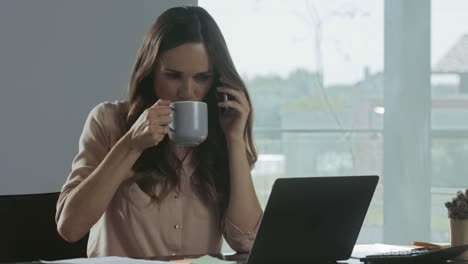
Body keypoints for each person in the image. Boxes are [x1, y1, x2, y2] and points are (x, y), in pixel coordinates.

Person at [55, 6, 263, 258]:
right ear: (151, 71)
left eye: (201, 77)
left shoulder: (222, 132)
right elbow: (70, 227)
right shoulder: (108, 120)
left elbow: (247, 241)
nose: (187, 91)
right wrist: (131, 144)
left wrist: (234, 139)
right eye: (173, 76)